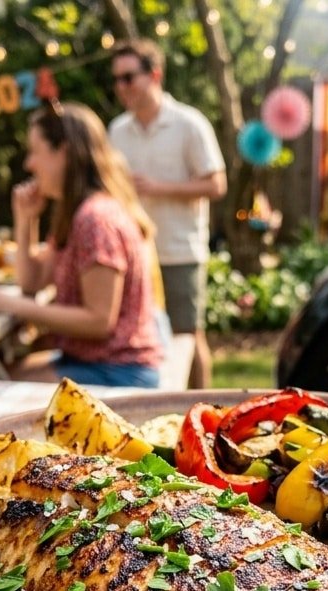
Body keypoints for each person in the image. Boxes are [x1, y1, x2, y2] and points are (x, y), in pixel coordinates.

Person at [0, 102, 164, 388]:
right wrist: (26, 221)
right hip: (94, 362)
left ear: (64, 152)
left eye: (35, 151)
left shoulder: (95, 219)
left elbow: (98, 321)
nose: (29, 164)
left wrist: (10, 304)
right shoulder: (76, 212)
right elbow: (32, 282)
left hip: (119, 372)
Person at [107, 38, 226, 389]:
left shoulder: (189, 123)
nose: (121, 86)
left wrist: (158, 187)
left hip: (178, 251)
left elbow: (217, 184)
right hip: (134, 256)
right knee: (144, 343)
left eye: (129, 77)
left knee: (188, 336)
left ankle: (206, 410)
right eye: (116, 79)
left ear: (155, 74)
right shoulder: (117, 130)